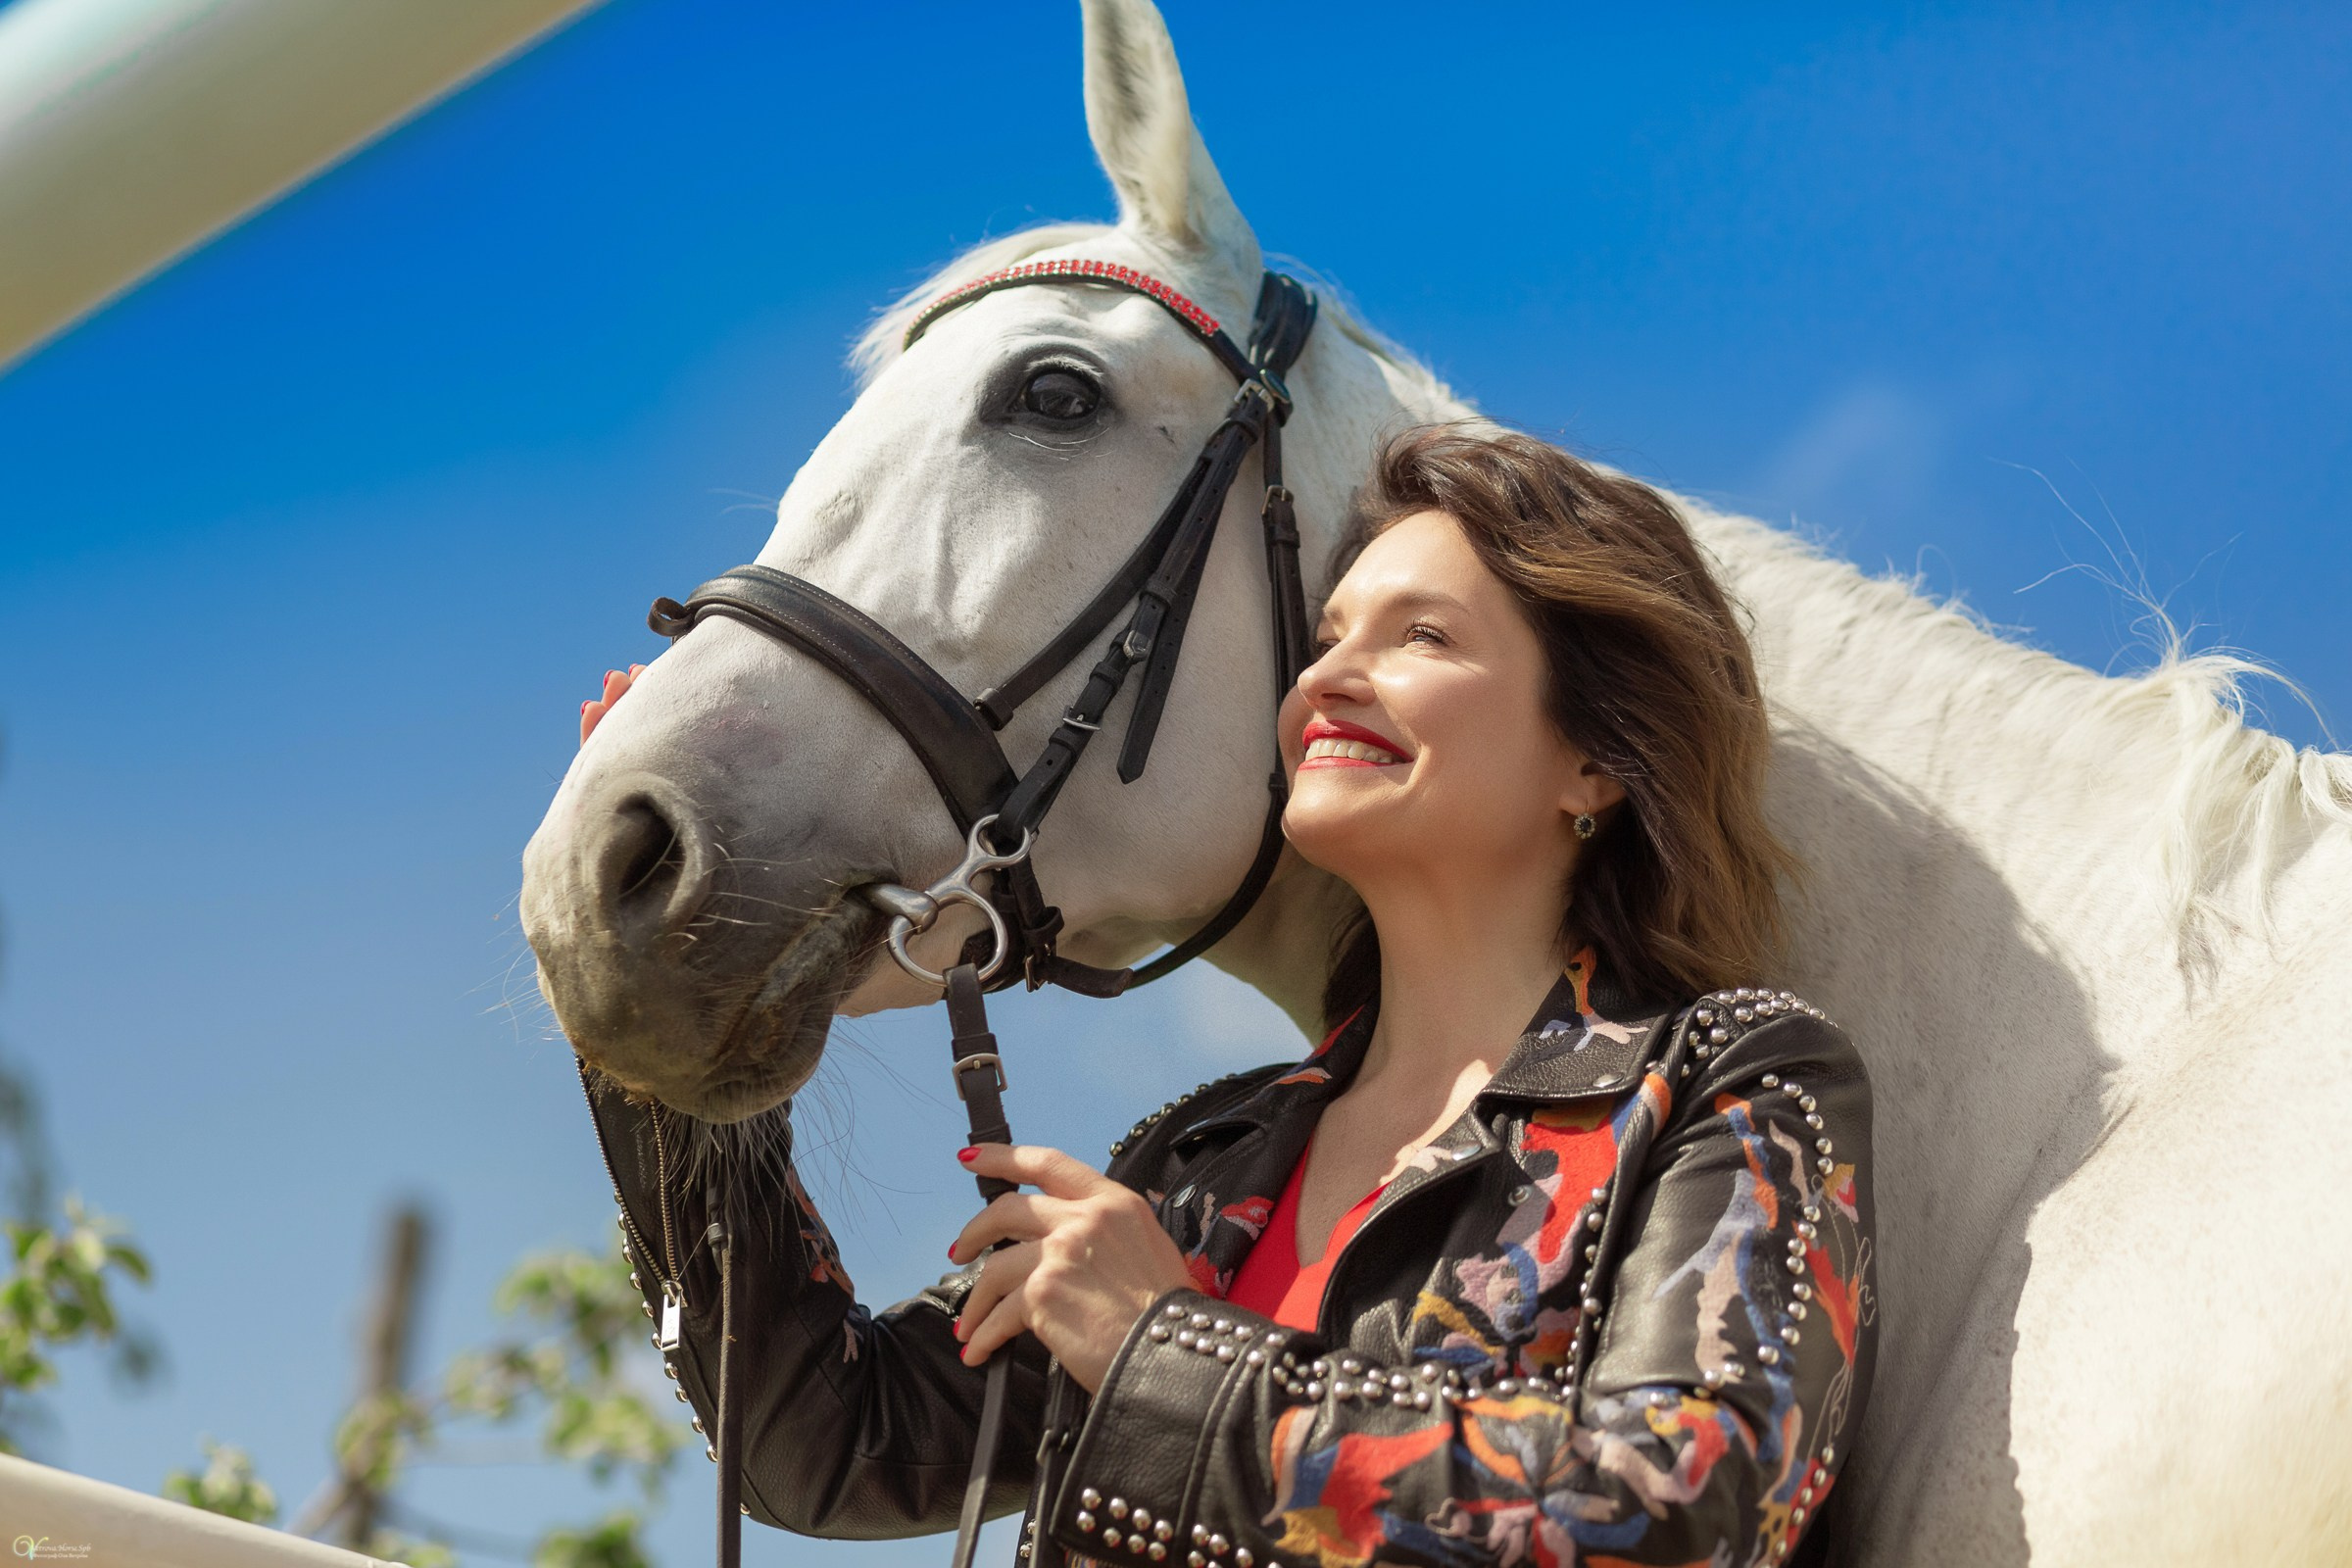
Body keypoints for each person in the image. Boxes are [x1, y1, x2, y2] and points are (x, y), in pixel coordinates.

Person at [576, 424, 1877, 1567]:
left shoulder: (1725, 1081)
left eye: (1419, 635)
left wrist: (1162, 1349)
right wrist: (662, 990)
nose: (1326, 680)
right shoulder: (1204, 1161)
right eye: (1324, 642)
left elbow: (1683, 1515)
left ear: (1595, 758)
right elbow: (826, 1444)